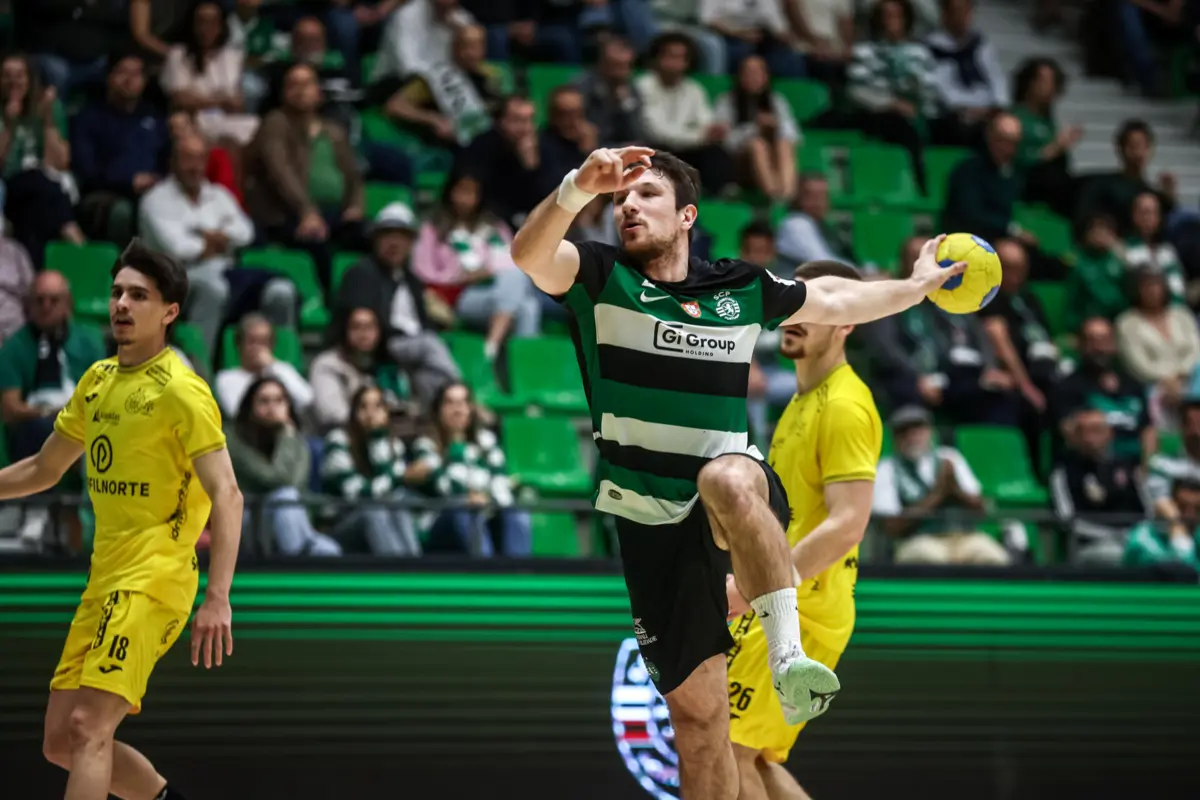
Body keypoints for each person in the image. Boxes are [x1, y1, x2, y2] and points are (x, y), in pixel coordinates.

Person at [508, 145, 966, 798]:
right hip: (648, 524)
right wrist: (577, 186)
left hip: (729, 502)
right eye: (620, 201)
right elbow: (529, 256)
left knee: (727, 475)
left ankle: (787, 657)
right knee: (699, 728)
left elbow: (836, 297)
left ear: (687, 214)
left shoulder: (737, 288)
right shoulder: (600, 277)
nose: (628, 207)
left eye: (646, 197)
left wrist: (918, 286)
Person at [0, 241, 242, 800]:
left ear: (170, 312)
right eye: (116, 293)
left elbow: (228, 494)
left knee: (89, 729)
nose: (122, 305)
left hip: (156, 577)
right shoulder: (97, 381)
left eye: (139, 295)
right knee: (60, 741)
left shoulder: (182, 390)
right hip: (104, 576)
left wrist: (219, 595)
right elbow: (44, 467)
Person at [726, 260, 881, 800]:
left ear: (847, 321)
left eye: (815, 307)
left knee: (725, 749)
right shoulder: (801, 399)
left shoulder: (843, 406)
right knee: (754, 755)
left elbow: (847, 524)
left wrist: (755, 588)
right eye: (797, 302)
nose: (797, 315)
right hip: (794, 599)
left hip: (805, 607)